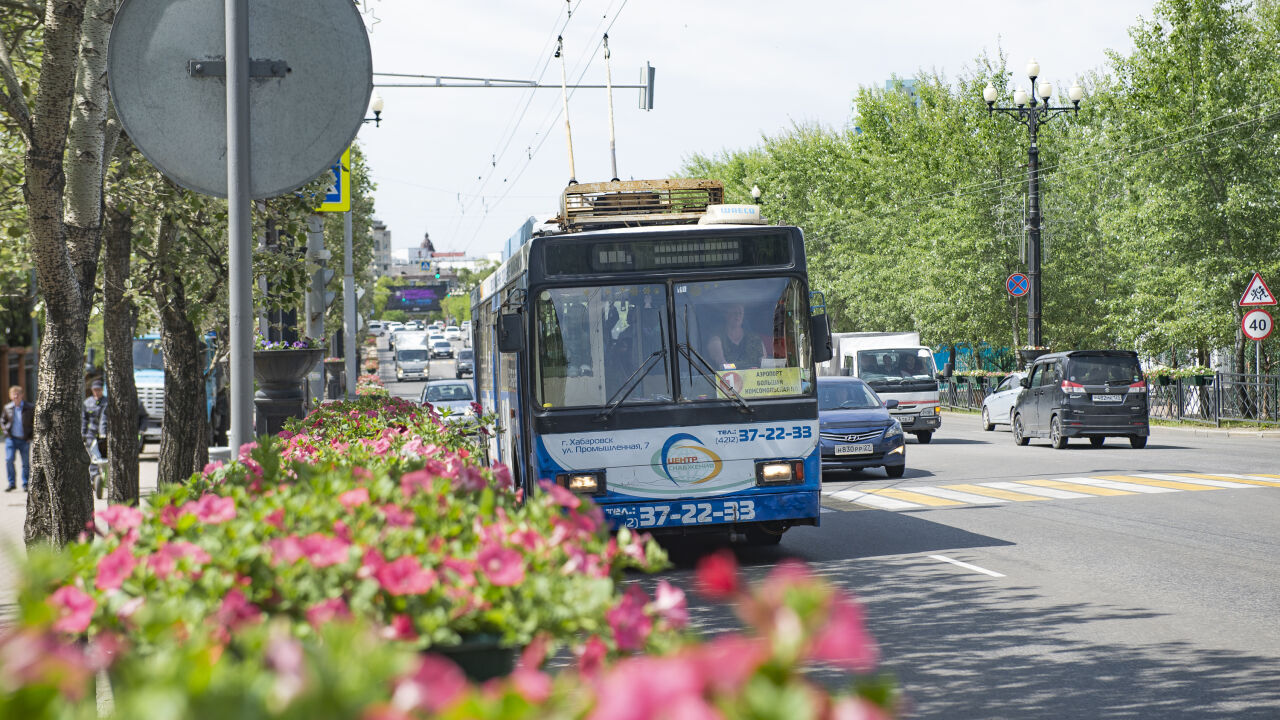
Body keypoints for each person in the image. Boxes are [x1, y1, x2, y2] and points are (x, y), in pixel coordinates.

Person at [706, 302, 768, 370]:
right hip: (728, 379)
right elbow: (722, 365)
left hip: (754, 378)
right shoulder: (716, 339)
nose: (738, 316)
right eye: (734, 312)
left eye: (740, 313)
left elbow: (764, 364)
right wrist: (743, 370)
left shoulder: (754, 338)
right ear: (726, 314)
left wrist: (756, 370)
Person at [2, 385, 33, 492]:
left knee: (25, 463)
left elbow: (34, 423)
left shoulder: (29, 407)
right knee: (9, 460)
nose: (16, 396)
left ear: (22, 395)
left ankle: (25, 484)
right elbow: (3, 421)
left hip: (25, 439)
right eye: (13, 394)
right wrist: (6, 433)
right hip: (11, 439)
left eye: (18, 394)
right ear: (10, 396)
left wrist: (30, 436)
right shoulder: (7, 407)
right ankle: (11, 483)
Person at [83, 380, 108, 493]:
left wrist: (104, 434)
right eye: (95, 390)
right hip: (91, 433)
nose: (97, 392)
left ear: (102, 389)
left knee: (104, 458)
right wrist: (83, 433)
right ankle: (94, 478)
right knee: (92, 457)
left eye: (99, 389)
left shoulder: (107, 402)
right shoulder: (87, 403)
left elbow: (105, 420)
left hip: (105, 435)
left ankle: (106, 478)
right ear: (92, 390)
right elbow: (84, 420)